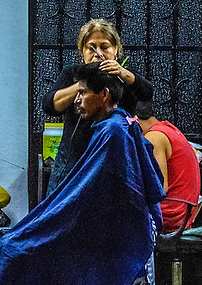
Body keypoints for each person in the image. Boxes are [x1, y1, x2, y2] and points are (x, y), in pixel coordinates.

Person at [0, 62, 164, 285]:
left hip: (104, 232)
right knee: (17, 241)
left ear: (104, 94)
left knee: (15, 246)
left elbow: (89, 198)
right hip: (100, 226)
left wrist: (47, 222)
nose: (77, 100)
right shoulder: (113, 126)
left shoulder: (113, 132)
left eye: (83, 93)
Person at [43, 19, 153, 196]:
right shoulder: (72, 73)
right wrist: (83, 83)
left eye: (105, 47)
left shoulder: (123, 77)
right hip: (74, 160)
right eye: (91, 47)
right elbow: (49, 105)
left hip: (112, 162)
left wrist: (123, 74)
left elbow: (147, 92)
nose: (98, 53)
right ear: (82, 51)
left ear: (116, 50)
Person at [135, 101, 201, 234]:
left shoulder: (154, 136)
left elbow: (159, 187)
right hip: (184, 211)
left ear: (135, 120)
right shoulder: (168, 128)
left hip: (173, 215)